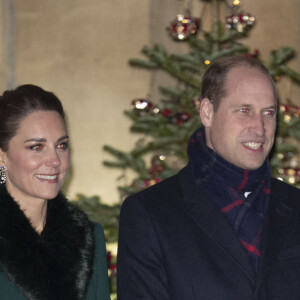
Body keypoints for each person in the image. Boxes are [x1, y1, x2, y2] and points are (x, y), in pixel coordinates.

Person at [117, 56, 300, 299]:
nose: (260, 127)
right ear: (207, 112)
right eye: (244, 110)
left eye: (268, 112)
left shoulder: (295, 205)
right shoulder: (150, 213)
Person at [0, 85, 110, 300]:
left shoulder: (89, 235)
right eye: (37, 147)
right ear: (2, 156)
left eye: (61, 145)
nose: (55, 161)